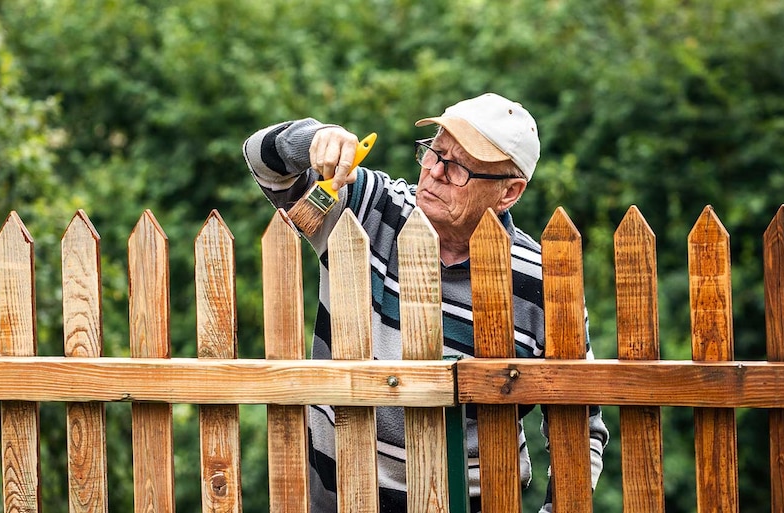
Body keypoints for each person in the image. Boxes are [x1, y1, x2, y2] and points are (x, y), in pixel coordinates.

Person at [243, 92, 608, 512]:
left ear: (509, 192)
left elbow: (582, 427)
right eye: (434, 151)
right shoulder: (369, 207)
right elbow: (261, 160)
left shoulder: (542, 281)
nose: (433, 172)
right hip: (337, 498)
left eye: (457, 168)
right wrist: (313, 138)